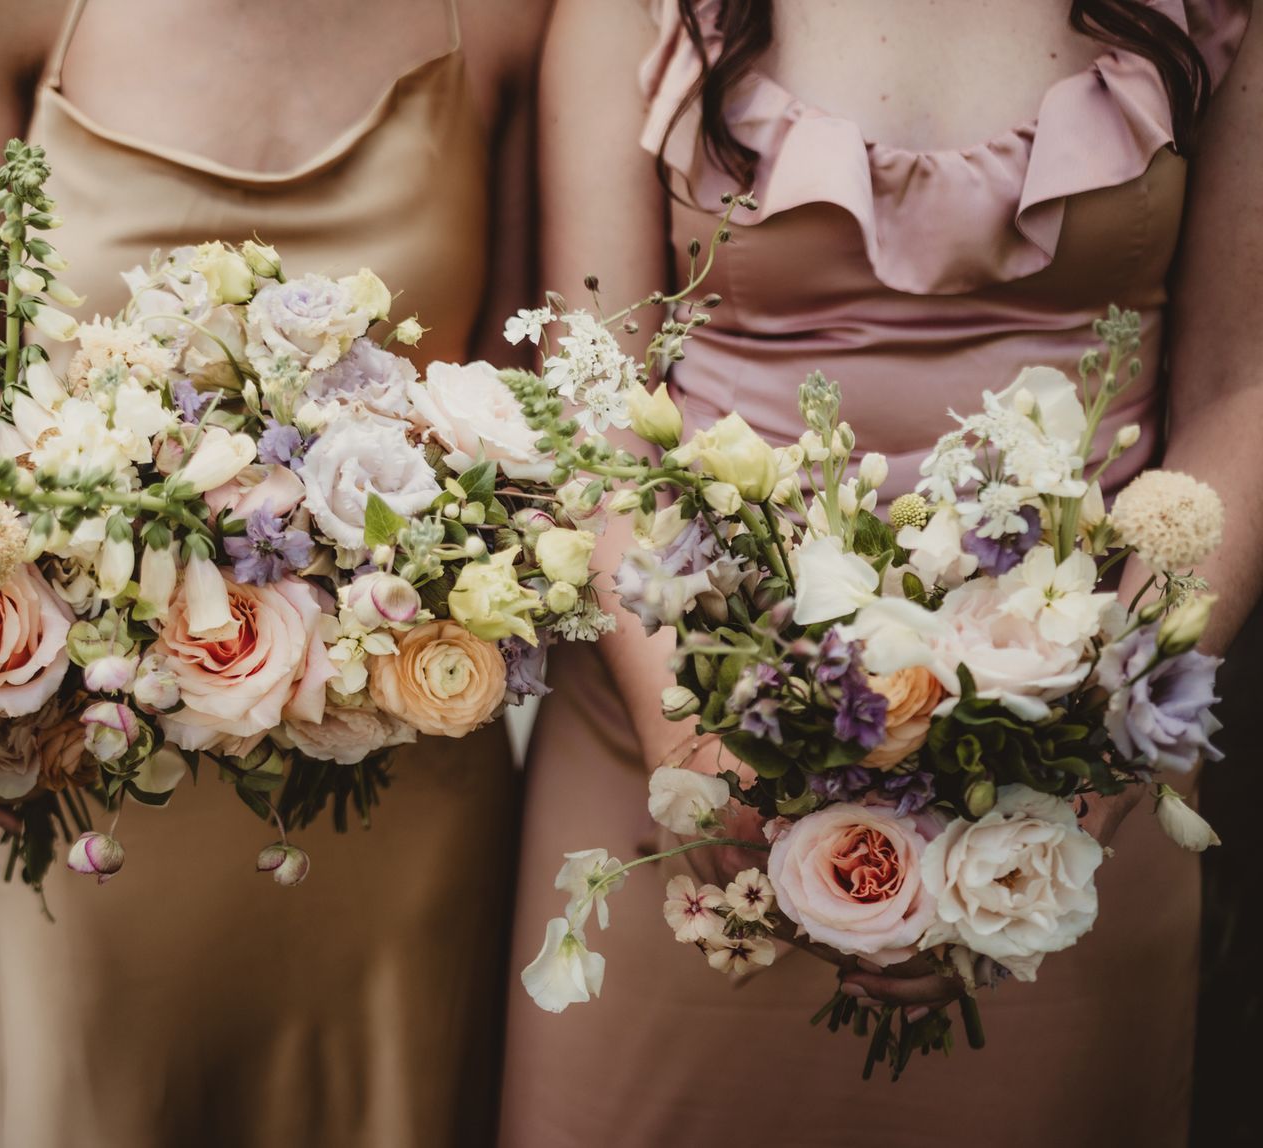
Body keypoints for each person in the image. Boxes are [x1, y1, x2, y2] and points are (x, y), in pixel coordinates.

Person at [501, 0, 1258, 1144]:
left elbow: (1240, 385)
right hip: (684, 739)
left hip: (1067, 789)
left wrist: (1105, 730)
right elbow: (588, 392)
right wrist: (694, 749)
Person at [0, 1, 550, 1144]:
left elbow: (511, 426)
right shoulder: (4, 18)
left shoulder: (502, 22)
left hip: (389, 751)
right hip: (90, 776)